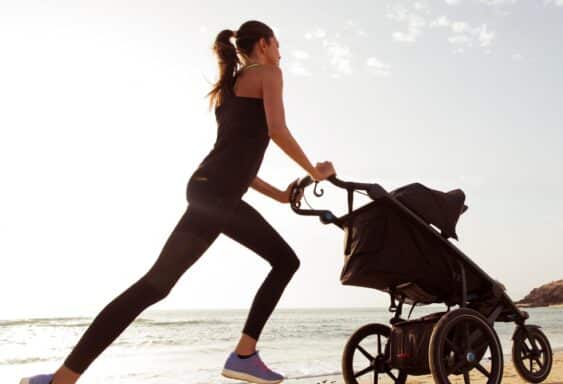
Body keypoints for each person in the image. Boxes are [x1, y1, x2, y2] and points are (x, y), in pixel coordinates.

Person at [20, 20, 335, 384]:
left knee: (281, 261)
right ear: (263, 44)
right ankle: (61, 379)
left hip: (215, 190)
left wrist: (281, 195)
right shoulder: (267, 73)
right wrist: (315, 170)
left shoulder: (231, 88)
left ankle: (244, 355)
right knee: (155, 284)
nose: (281, 54)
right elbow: (277, 130)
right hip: (216, 193)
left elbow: (238, 163)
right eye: (278, 45)